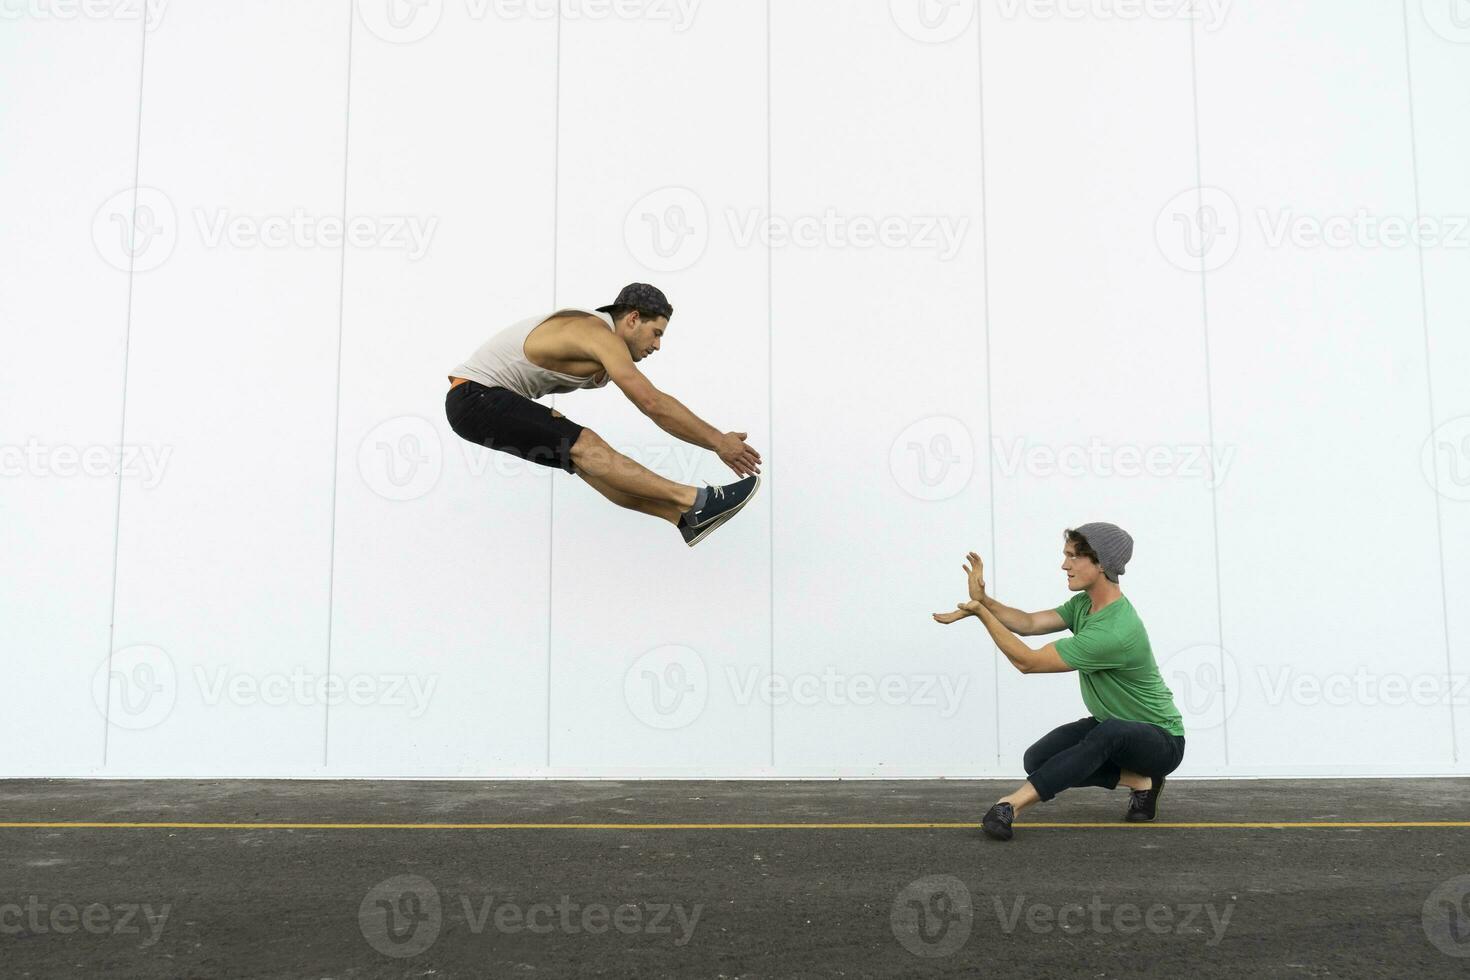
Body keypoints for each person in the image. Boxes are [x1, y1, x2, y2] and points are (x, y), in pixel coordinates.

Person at [445, 283, 761, 546]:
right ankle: (697, 501)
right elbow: (652, 402)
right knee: (586, 444)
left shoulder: (602, 347)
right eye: (656, 332)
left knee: (588, 465)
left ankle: (683, 518)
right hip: (476, 395)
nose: (658, 345)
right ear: (633, 318)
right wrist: (719, 441)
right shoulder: (597, 333)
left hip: (475, 404)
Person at [932, 523, 1186, 841]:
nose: (1064, 565)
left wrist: (983, 615)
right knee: (1037, 759)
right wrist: (985, 601)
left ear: (1101, 563)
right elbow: (1029, 623)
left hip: (1162, 742)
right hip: (1116, 729)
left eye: (1073, 557)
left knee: (1108, 731)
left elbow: (1028, 662)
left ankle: (1010, 806)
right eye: (1065, 555)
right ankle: (1141, 782)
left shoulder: (1114, 632)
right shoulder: (1085, 605)